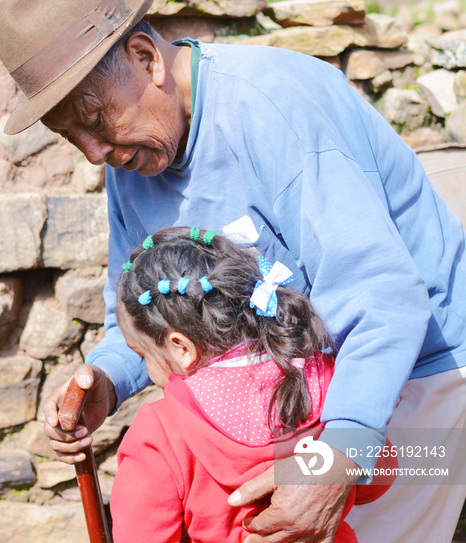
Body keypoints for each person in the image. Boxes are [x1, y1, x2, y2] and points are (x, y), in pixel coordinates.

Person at [1, 0, 465, 543]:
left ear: (146, 59)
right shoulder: (134, 157)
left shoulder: (269, 106)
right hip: (291, 399)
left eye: (96, 118)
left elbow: (382, 299)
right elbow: (144, 311)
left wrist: (335, 462)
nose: (95, 153)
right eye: (75, 137)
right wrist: (106, 381)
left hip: (418, 370)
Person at [111, 225, 395, 543]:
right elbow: (379, 477)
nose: (148, 370)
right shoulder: (326, 379)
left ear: (181, 347)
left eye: (143, 354)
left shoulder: (160, 431)